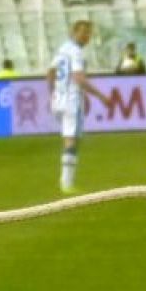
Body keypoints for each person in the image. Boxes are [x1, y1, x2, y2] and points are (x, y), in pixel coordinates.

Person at [48, 19, 110, 194]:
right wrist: (100, 96)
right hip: (71, 100)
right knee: (71, 139)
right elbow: (78, 78)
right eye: (83, 32)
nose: (86, 36)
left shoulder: (63, 49)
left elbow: (50, 72)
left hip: (59, 100)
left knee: (69, 137)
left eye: (89, 33)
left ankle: (66, 181)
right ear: (74, 32)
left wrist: (53, 93)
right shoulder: (76, 52)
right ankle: (66, 182)